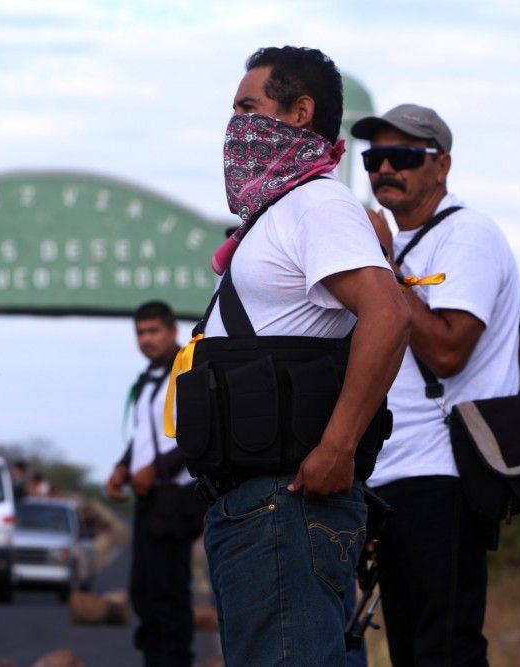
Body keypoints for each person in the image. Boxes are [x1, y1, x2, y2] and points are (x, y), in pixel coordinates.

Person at [199, 46, 411, 666]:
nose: (234, 125)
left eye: (248, 107)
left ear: (299, 113)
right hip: (256, 505)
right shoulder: (280, 212)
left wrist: (338, 446)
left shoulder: (318, 203)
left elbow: (389, 313)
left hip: (284, 504)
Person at [352, 103, 520, 666]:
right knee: (408, 649)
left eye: (403, 156)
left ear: (441, 166)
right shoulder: (399, 250)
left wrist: (385, 266)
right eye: (375, 157)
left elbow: (448, 349)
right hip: (394, 476)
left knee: (445, 648)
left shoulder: (467, 235)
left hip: (444, 473)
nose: (384, 169)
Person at [104, 300, 199, 667]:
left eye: (153, 331)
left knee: (168, 594)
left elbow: (194, 435)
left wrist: (155, 470)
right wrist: (123, 467)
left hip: (174, 498)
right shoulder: (146, 380)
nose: (146, 339)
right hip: (147, 498)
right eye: (140, 333)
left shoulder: (188, 368)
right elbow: (144, 437)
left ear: (173, 331)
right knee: (143, 591)